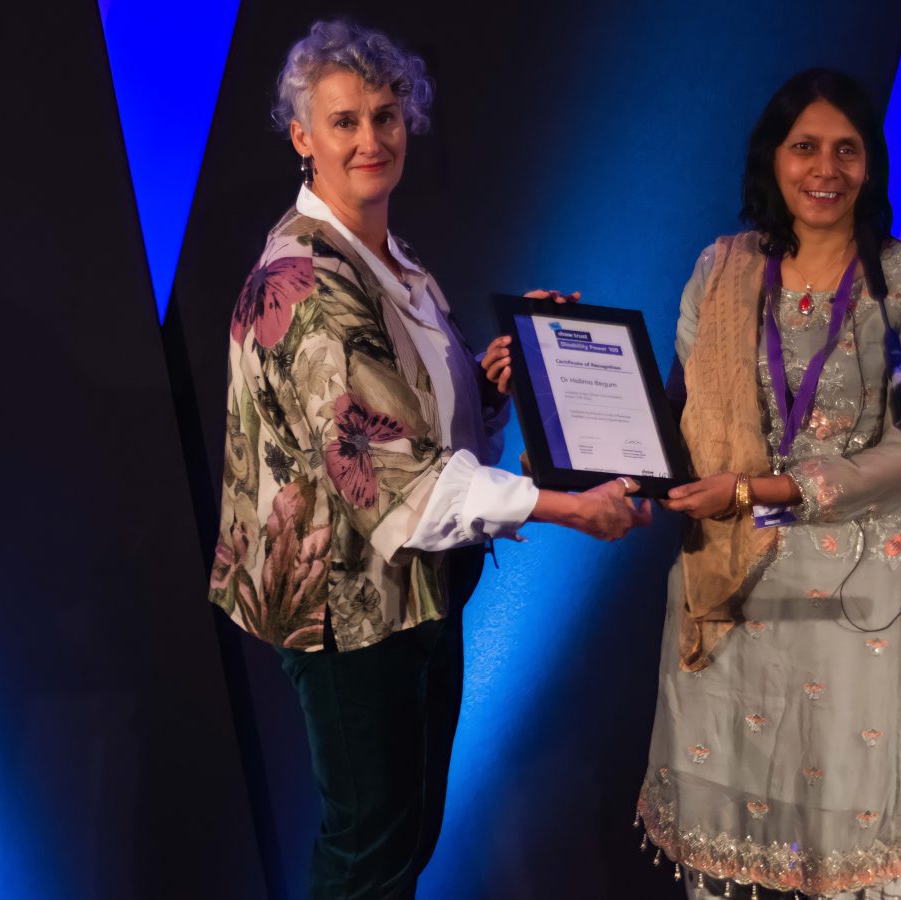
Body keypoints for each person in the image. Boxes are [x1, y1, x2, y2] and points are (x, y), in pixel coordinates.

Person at [207, 19, 650, 899]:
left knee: (403, 836)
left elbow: (419, 429)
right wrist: (571, 507)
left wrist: (489, 384)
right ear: (302, 138)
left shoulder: (386, 260)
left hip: (412, 595)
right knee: (370, 848)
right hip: (349, 611)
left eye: (386, 115)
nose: (371, 139)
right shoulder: (304, 283)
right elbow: (393, 478)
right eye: (344, 122)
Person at [646, 68, 901, 899]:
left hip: (857, 606)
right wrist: (548, 377)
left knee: (847, 851)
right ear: (772, 159)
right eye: (806, 147)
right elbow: (673, 421)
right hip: (728, 587)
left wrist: (767, 491)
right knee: (734, 850)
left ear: (871, 165)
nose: (827, 169)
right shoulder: (723, 270)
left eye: (847, 150)